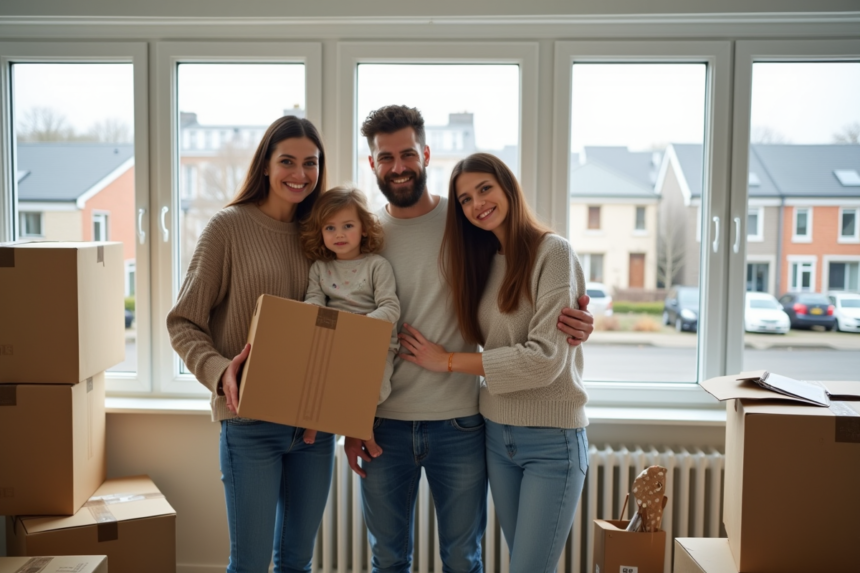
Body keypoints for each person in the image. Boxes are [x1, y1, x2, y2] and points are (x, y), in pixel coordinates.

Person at [344, 105, 595, 573]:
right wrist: (350, 417)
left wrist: (579, 320)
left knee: (464, 559)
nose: (398, 166)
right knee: (388, 559)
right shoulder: (364, 234)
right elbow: (345, 323)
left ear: (426, 153)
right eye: (385, 157)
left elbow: (531, 284)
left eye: (408, 153)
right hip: (384, 425)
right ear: (372, 163)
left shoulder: (465, 227)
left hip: (460, 422)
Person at [399, 152, 589, 572]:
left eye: (484, 189)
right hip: (497, 435)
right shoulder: (483, 261)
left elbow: (543, 362)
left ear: (507, 187)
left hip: (551, 439)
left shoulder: (552, 252)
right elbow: (509, 339)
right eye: (464, 199)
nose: (477, 203)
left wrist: (445, 361)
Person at [167, 115, 334, 573]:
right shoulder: (228, 228)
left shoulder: (322, 235)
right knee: (250, 564)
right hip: (250, 422)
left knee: (297, 562)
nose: (299, 174)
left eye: (311, 163)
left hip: (314, 427)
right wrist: (221, 370)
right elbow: (183, 321)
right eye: (287, 161)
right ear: (265, 165)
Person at [299, 185, 400, 444]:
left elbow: (390, 307)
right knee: (319, 382)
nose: (339, 234)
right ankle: (317, 423)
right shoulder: (320, 268)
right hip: (334, 340)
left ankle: (361, 426)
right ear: (320, 232)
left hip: (373, 342)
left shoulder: (377, 265)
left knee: (375, 389)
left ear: (364, 228)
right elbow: (314, 301)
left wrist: (359, 325)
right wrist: (307, 315)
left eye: (347, 226)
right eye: (330, 228)